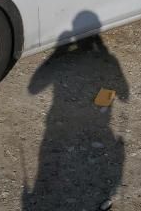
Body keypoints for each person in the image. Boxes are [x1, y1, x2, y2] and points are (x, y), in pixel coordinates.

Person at [23, 11, 130, 210]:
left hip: (56, 129)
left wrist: (56, 52)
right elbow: (125, 95)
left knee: (51, 176)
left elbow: (33, 88)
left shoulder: (68, 56)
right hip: (97, 127)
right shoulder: (110, 60)